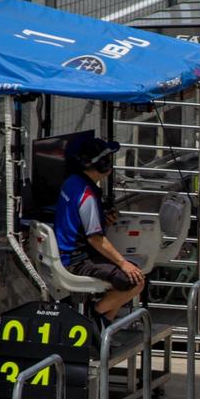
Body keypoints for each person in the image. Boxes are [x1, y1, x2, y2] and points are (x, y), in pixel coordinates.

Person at [53, 132, 144, 330]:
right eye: (107, 159)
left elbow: (78, 224)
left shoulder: (72, 182)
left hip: (67, 254)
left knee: (129, 273)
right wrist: (123, 263)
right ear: (100, 164)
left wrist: (104, 222)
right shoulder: (87, 196)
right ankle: (95, 320)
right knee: (135, 280)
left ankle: (101, 326)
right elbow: (95, 239)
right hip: (76, 261)